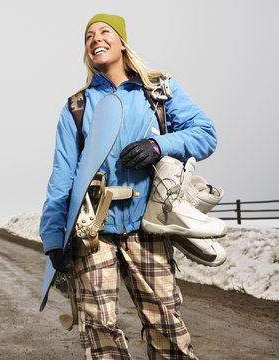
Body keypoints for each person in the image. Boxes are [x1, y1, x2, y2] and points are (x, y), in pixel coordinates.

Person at [39, 13, 217, 360]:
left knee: (165, 321)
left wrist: (158, 146)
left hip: (148, 225)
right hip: (93, 230)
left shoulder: (159, 90)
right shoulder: (77, 106)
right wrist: (53, 237)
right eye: (88, 35)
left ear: (122, 42)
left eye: (105, 31)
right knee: (99, 327)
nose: (95, 38)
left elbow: (205, 134)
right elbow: (63, 175)